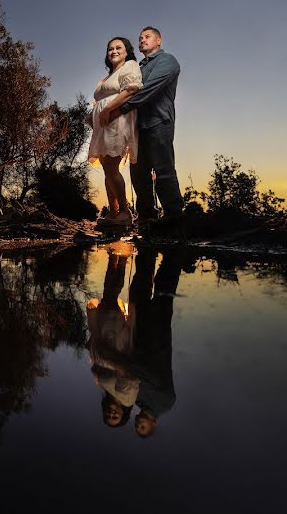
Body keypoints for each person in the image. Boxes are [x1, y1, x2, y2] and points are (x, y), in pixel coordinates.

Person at [105, 27, 184, 232]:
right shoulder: (136, 66)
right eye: (140, 38)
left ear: (159, 41)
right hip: (136, 127)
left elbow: (146, 89)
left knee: (163, 169)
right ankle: (147, 217)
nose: (142, 40)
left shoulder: (167, 61)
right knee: (138, 173)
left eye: (147, 37)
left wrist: (121, 107)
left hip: (158, 121)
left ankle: (174, 216)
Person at [128, 247, 183, 438]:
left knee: (139, 289)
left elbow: (136, 375)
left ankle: (148, 248)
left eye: (136, 426)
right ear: (153, 424)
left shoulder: (136, 401)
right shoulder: (166, 402)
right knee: (164, 291)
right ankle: (175, 248)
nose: (137, 423)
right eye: (142, 427)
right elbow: (152, 378)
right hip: (158, 338)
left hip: (140, 337)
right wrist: (126, 367)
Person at [88, 37, 142, 227]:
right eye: (110, 48)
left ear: (127, 51)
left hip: (118, 120)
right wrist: (93, 116)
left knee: (111, 166)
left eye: (119, 47)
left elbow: (131, 89)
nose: (114, 51)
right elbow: (99, 100)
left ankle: (126, 212)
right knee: (107, 169)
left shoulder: (130, 65)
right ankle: (113, 212)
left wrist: (107, 109)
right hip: (103, 125)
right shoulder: (107, 76)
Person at [86, 244, 140, 427]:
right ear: (124, 414)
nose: (111, 413)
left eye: (107, 415)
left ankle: (119, 257)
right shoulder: (127, 399)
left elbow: (98, 364)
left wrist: (93, 348)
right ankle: (119, 257)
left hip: (103, 336)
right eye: (115, 417)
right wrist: (106, 358)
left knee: (109, 295)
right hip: (114, 340)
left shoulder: (106, 389)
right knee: (109, 295)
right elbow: (129, 373)